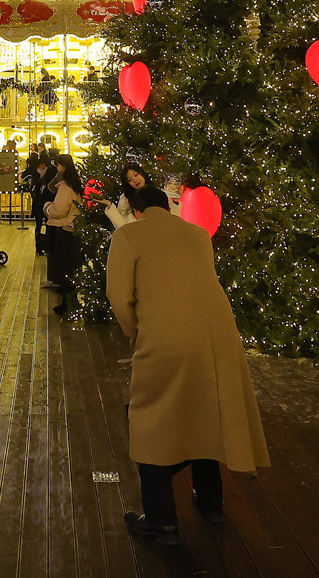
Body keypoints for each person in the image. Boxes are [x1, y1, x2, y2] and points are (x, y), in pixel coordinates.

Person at [111, 184, 269, 546]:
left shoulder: (128, 236)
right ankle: (211, 503)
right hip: (216, 337)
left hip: (165, 338)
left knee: (151, 421)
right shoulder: (197, 235)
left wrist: (136, 333)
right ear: (168, 208)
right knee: (203, 413)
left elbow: (118, 296)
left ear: (136, 211)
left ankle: (162, 522)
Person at [43, 155, 82, 307]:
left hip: (65, 227)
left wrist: (48, 207)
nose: (57, 168)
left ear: (63, 167)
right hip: (73, 226)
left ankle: (66, 303)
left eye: (58, 165)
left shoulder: (65, 187)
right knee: (72, 265)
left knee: (63, 265)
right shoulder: (76, 185)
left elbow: (59, 210)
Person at [28, 154, 51, 256]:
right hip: (39, 205)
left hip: (45, 205)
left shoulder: (47, 177)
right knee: (39, 225)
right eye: (42, 166)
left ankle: (46, 245)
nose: (44, 167)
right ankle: (39, 246)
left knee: (47, 225)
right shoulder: (36, 178)